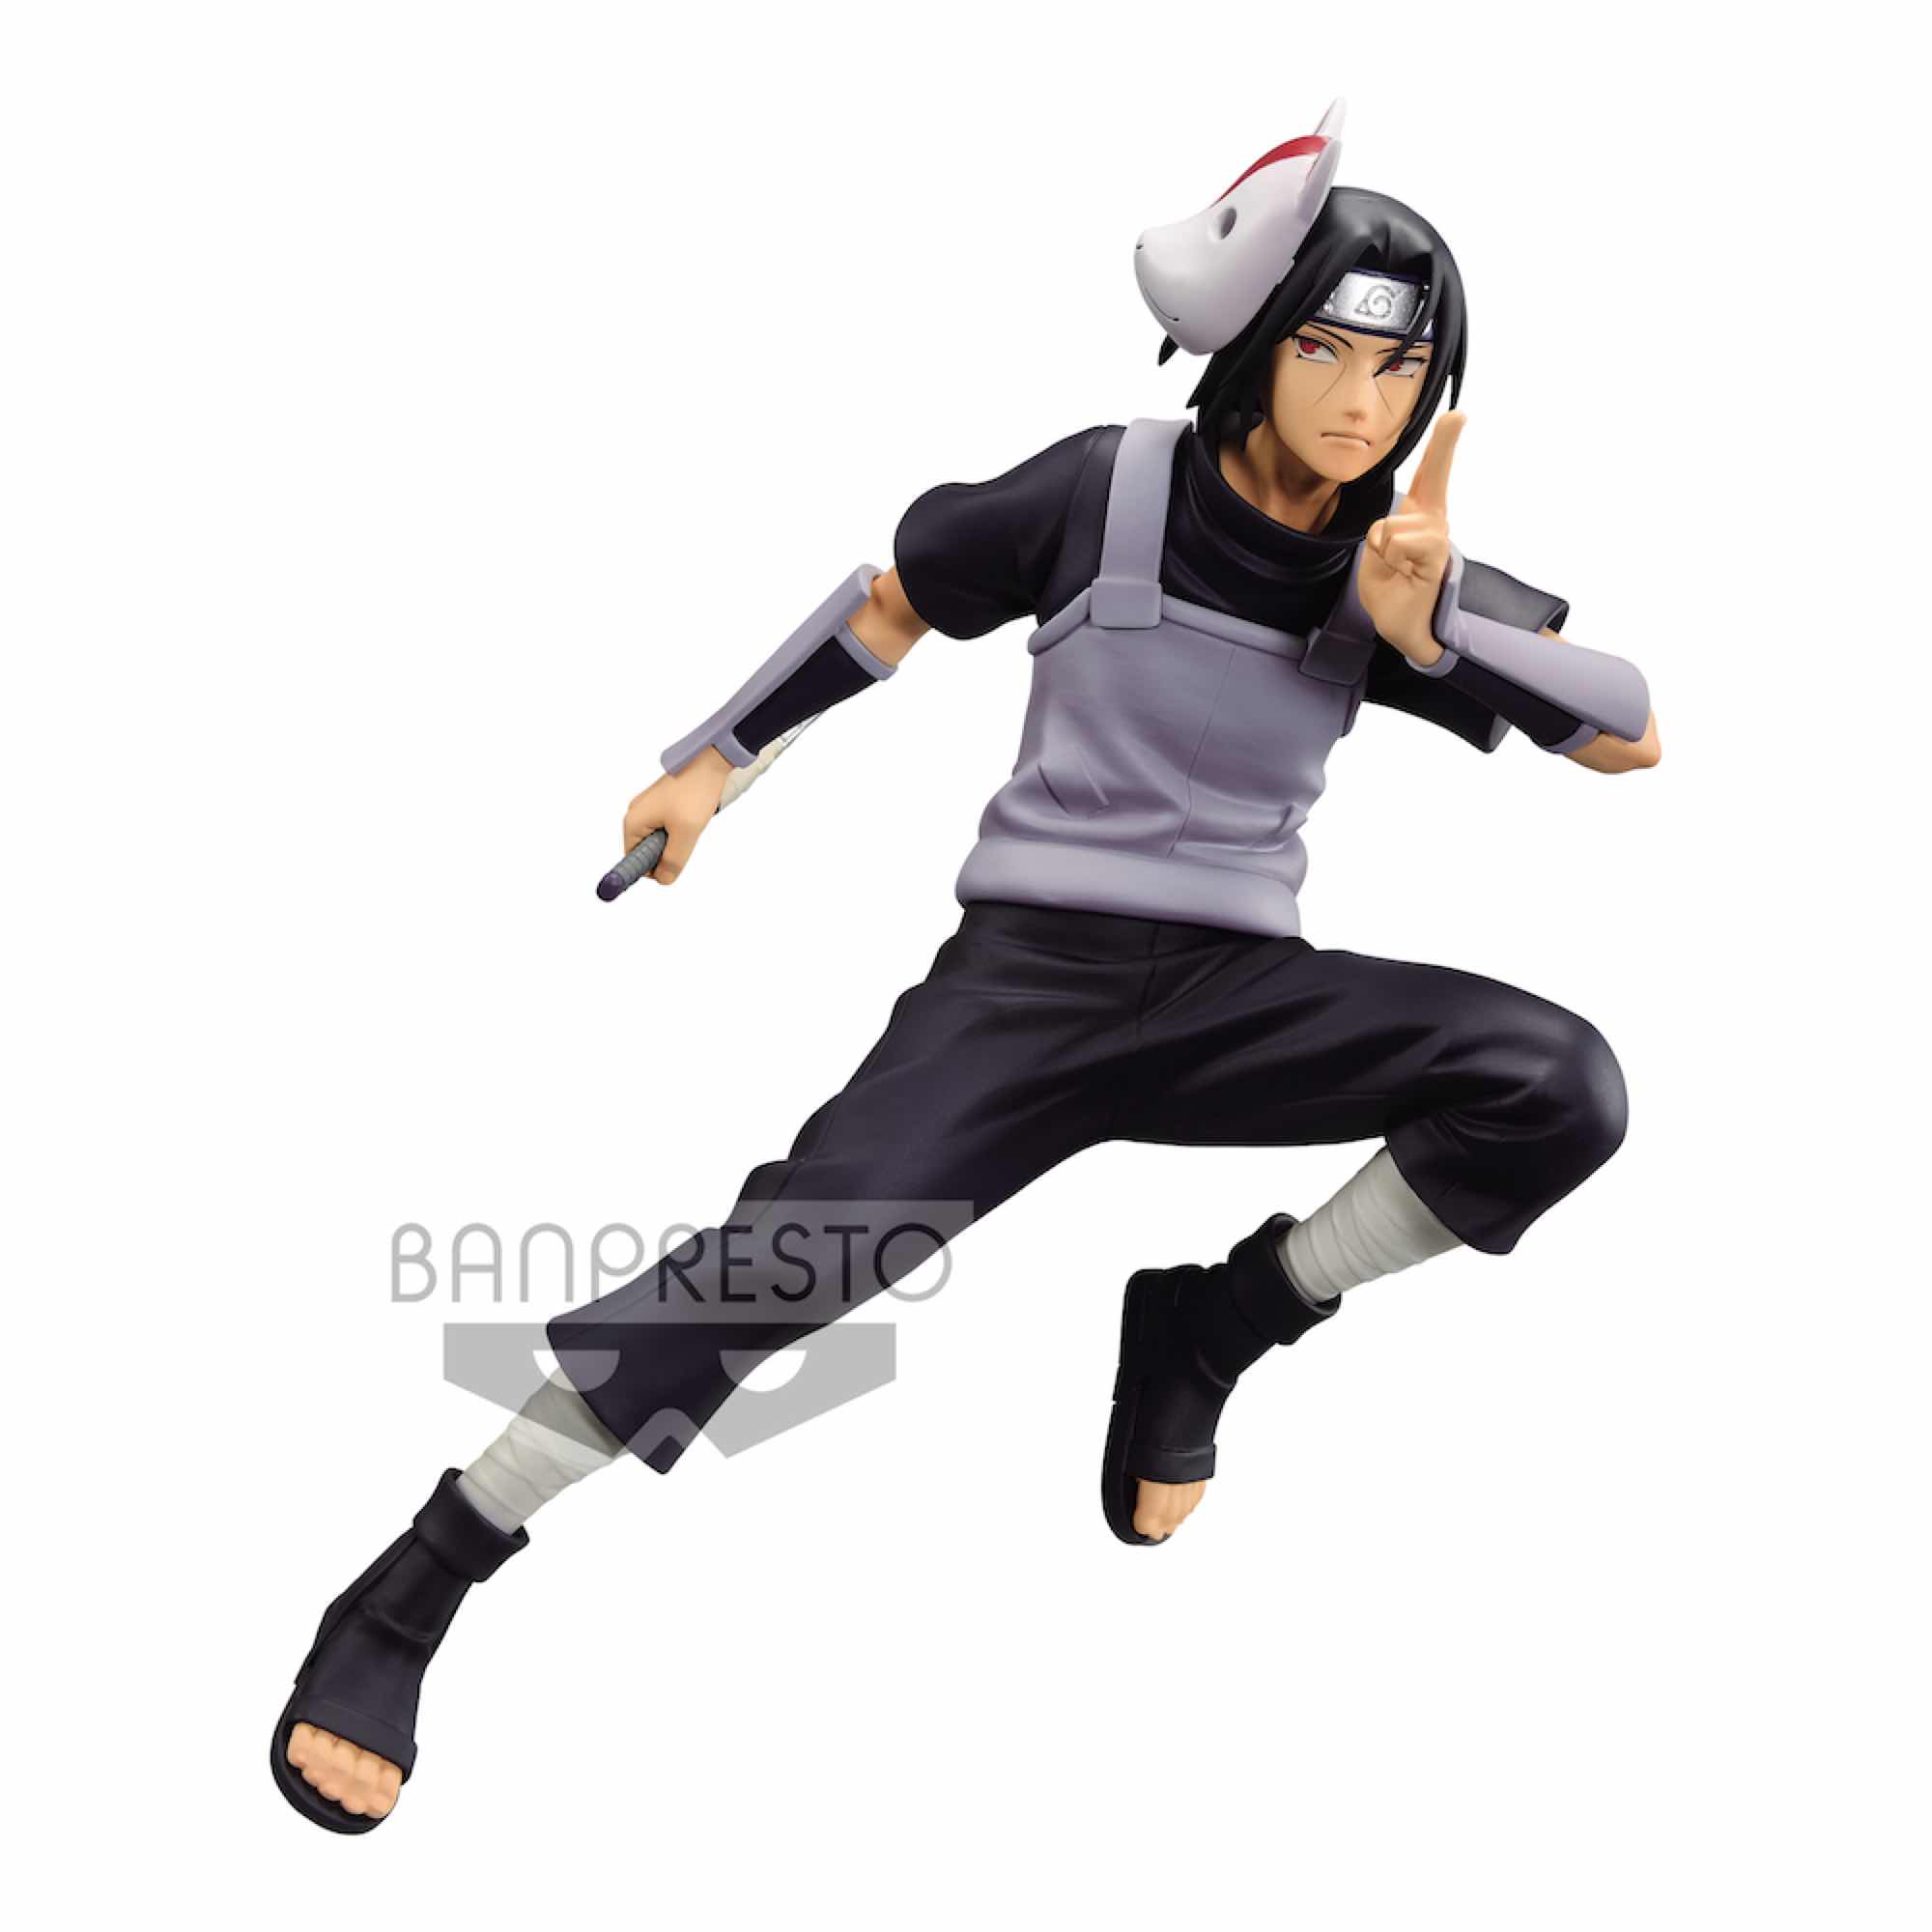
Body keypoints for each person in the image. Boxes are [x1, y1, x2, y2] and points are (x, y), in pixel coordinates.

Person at [272, 104, 1660, 1832]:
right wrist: (712, 764)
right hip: (1028, 985)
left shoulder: (1390, 571)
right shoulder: (1106, 489)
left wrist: (1433, 635)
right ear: (1253, 337)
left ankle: (1216, 1323)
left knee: (1556, 1085)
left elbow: (1633, 735)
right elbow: (891, 602)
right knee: (785, 1261)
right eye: (1325, 346)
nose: (1361, 398)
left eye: (1402, 365)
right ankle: (418, 1576)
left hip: (1237, 996)